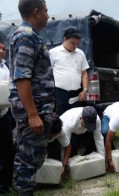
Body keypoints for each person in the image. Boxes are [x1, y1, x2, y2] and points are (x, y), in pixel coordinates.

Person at [9, 0, 55, 195]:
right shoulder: (27, 37)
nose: (48, 15)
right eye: (45, 11)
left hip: (38, 109)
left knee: (32, 158)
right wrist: (33, 114)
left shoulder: (31, 36)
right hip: (32, 112)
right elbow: (22, 78)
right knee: (27, 161)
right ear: (36, 12)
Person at [49, 28, 90, 115]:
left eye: (77, 44)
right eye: (72, 43)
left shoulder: (80, 53)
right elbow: (47, 73)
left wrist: (85, 90)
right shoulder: (53, 53)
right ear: (65, 39)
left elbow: (84, 73)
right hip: (59, 93)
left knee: (76, 118)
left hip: (76, 94)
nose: (75, 46)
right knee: (60, 119)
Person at [0, 36, 15, 194]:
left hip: (4, 114)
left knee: (8, 151)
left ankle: (5, 185)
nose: (2, 51)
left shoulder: (5, 68)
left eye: (4, 49)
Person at [47, 113, 71, 180]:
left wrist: (64, 165)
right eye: (50, 136)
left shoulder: (61, 132)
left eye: (54, 136)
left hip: (51, 145)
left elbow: (68, 146)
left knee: (55, 147)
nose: (51, 138)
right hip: (36, 143)